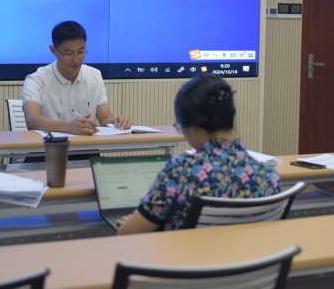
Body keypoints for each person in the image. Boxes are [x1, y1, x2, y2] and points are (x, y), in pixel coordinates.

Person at [117, 74, 281, 234]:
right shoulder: (268, 176)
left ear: (194, 126)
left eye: (181, 126)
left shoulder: (181, 171)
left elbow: (126, 235)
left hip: (186, 253)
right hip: (248, 252)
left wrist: (128, 225)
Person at [22, 21, 131, 135]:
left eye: (80, 52)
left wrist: (117, 122)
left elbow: (105, 119)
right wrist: (68, 126)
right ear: (53, 50)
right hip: (49, 144)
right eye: (69, 53)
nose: (76, 59)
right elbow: (32, 121)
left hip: (85, 144)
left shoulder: (94, 75)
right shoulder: (36, 80)